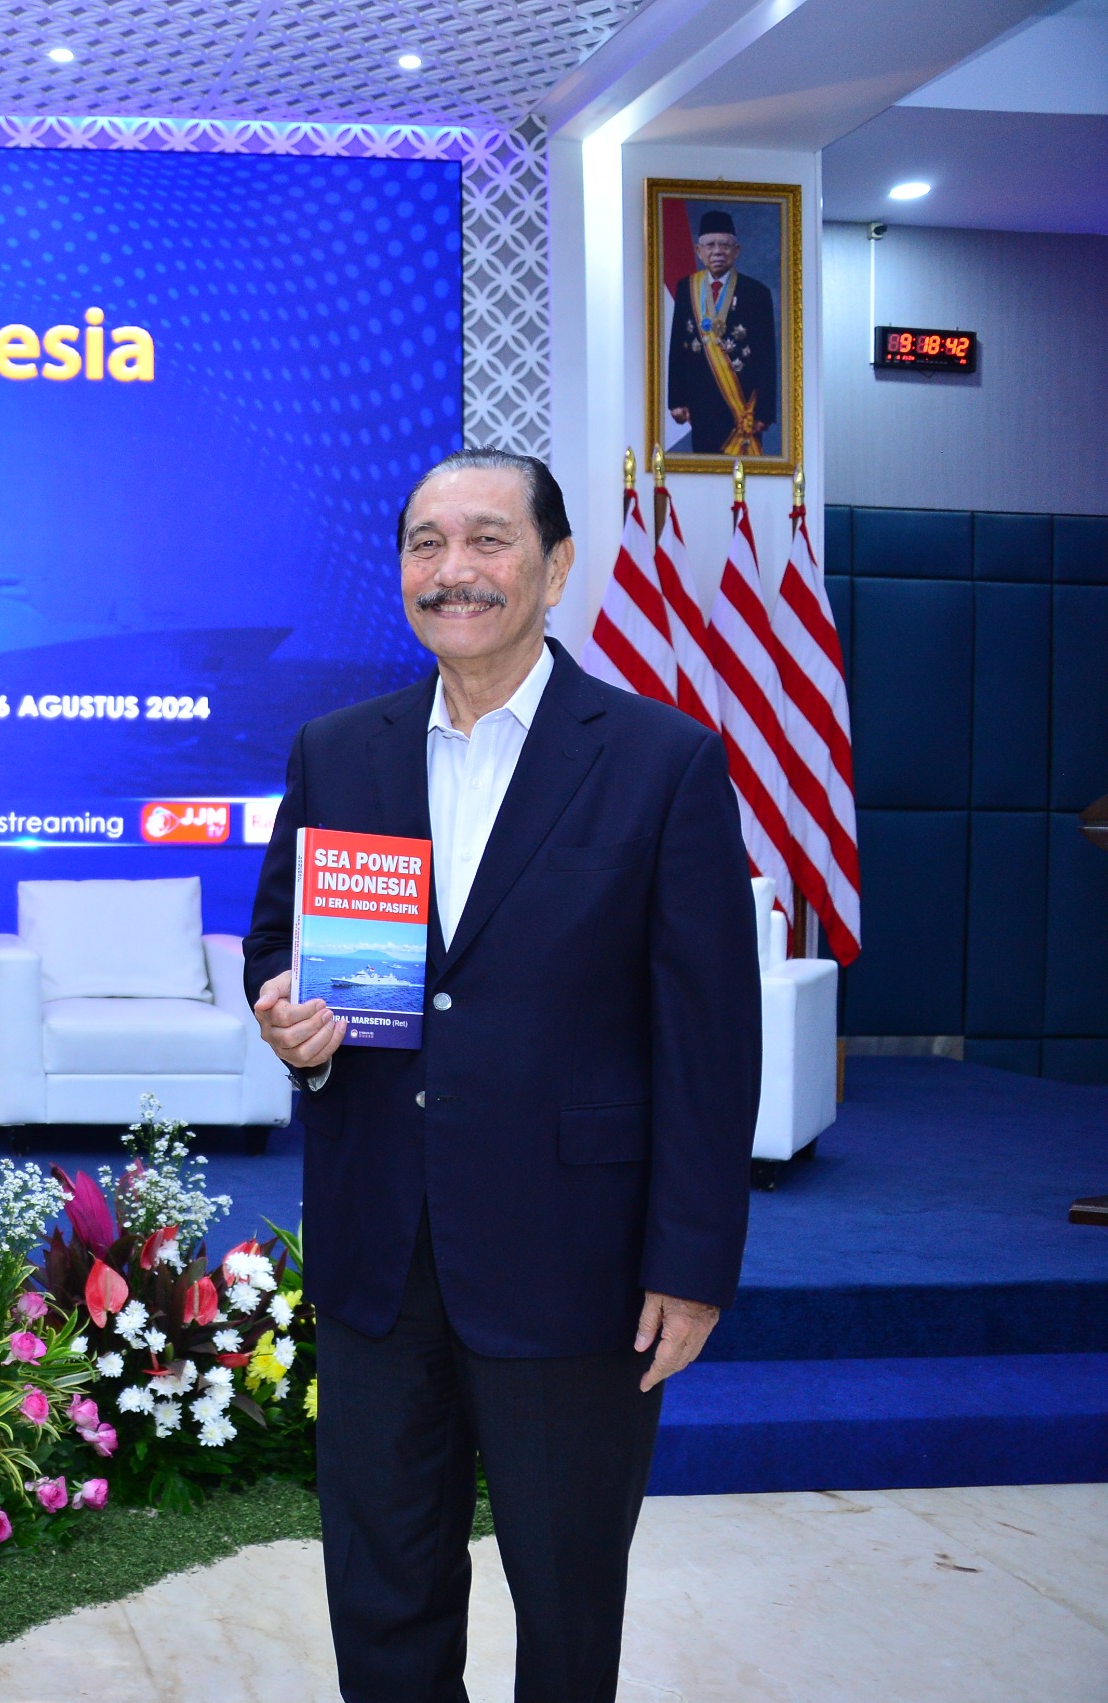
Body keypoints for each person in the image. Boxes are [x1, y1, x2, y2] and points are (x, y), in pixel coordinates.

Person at [243, 450, 760, 1703]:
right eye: (425, 543)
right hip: (378, 1252)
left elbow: (708, 1040)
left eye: (487, 539)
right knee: (382, 1592)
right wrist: (282, 1014)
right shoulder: (338, 750)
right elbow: (275, 945)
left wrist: (691, 1263)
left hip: (573, 1263)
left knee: (567, 1601)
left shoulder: (660, 760)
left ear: (555, 565)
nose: (452, 569)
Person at [665, 208, 778, 457]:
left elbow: (767, 355)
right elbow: (677, 347)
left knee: (744, 473)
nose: (717, 251)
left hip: (743, 406)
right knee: (704, 466)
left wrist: (765, 412)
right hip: (700, 402)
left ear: (736, 251)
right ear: (699, 251)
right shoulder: (686, 288)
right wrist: (677, 400)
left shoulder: (756, 293)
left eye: (725, 245)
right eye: (710, 245)